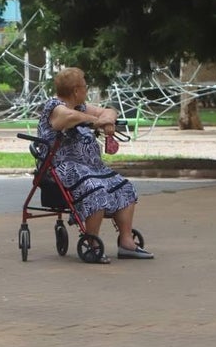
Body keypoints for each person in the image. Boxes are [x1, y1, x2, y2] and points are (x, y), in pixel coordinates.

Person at [37, 67, 154, 262]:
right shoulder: (54, 106)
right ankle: (92, 244)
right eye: (85, 86)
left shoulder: (80, 107)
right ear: (76, 90)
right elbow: (66, 118)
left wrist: (107, 120)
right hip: (65, 168)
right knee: (96, 189)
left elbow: (108, 110)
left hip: (92, 168)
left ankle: (126, 242)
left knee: (125, 187)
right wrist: (95, 121)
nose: (87, 89)